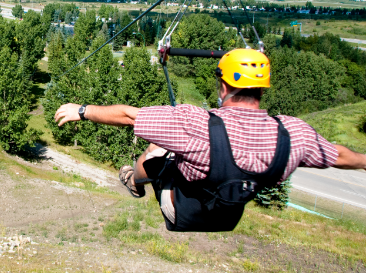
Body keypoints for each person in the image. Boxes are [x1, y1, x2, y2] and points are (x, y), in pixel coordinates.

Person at [54, 48, 366, 232]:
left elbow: (130, 116)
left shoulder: (196, 124)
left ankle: (133, 182)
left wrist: (83, 110)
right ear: (262, 89)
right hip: (229, 215)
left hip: (183, 210)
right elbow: (339, 155)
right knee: (179, 150)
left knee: (156, 150)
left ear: (223, 86)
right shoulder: (293, 134)